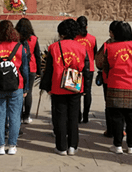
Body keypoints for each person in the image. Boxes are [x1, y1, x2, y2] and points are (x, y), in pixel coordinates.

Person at [40, 19, 89, 156]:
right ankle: (73, 146)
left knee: (60, 116)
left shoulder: (54, 47)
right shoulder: (81, 47)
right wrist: (85, 88)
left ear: (61, 33)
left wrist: (46, 86)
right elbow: (86, 69)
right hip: (75, 84)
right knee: (74, 116)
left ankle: (61, 147)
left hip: (58, 84)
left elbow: (48, 69)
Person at [0, 20, 29, 155]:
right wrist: (26, 87)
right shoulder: (19, 47)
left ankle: (0, 146)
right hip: (17, 86)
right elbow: (25, 70)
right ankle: (12, 146)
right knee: (15, 117)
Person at [103, 22, 132, 154]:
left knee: (117, 117)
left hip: (115, 84)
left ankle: (117, 145)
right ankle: (131, 146)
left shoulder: (110, 47)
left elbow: (105, 67)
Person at [95, 21, 120, 138]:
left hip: (109, 80)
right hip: (126, 80)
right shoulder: (131, 44)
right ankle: (121, 130)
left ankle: (110, 130)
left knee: (110, 106)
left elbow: (99, 63)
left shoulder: (107, 45)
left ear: (111, 32)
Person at [15, 18, 42, 124]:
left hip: (18, 67)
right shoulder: (34, 39)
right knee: (28, 92)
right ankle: (26, 116)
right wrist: (39, 71)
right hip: (31, 67)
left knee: (19, 91)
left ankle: (18, 114)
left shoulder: (16, 38)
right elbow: (37, 55)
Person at [75, 16, 97, 123]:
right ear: (87, 26)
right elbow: (95, 52)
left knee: (76, 92)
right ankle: (86, 116)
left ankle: (78, 115)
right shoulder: (92, 38)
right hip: (90, 68)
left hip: (77, 68)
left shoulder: (74, 38)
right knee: (88, 92)